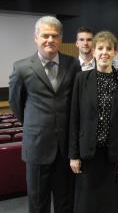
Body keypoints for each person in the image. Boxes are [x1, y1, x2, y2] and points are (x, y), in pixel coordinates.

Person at [8, 16, 81, 213]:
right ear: (36, 38)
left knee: (65, 200)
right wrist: (37, 125)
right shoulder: (21, 67)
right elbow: (16, 104)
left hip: (66, 148)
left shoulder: (73, 64)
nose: (50, 40)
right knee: (38, 201)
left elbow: (76, 102)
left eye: (54, 36)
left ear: (60, 38)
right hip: (37, 146)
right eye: (45, 35)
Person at [69, 30, 118, 213]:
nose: (104, 52)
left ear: (115, 53)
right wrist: (73, 155)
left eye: (109, 49)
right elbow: (74, 119)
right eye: (100, 48)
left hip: (113, 156)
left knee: (112, 204)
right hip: (88, 154)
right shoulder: (81, 79)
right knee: (87, 204)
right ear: (93, 52)